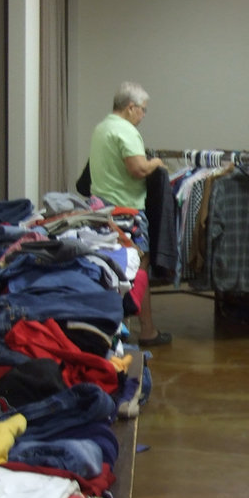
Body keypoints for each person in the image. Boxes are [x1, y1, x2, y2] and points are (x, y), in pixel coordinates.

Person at [88, 81, 171, 347]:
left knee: (115, 269)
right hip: (126, 210)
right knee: (138, 268)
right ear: (131, 107)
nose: (143, 116)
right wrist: (156, 162)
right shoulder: (126, 131)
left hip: (102, 207)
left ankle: (119, 327)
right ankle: (146, 330)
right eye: (143, 110)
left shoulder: (102, 127)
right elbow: (138, 169)